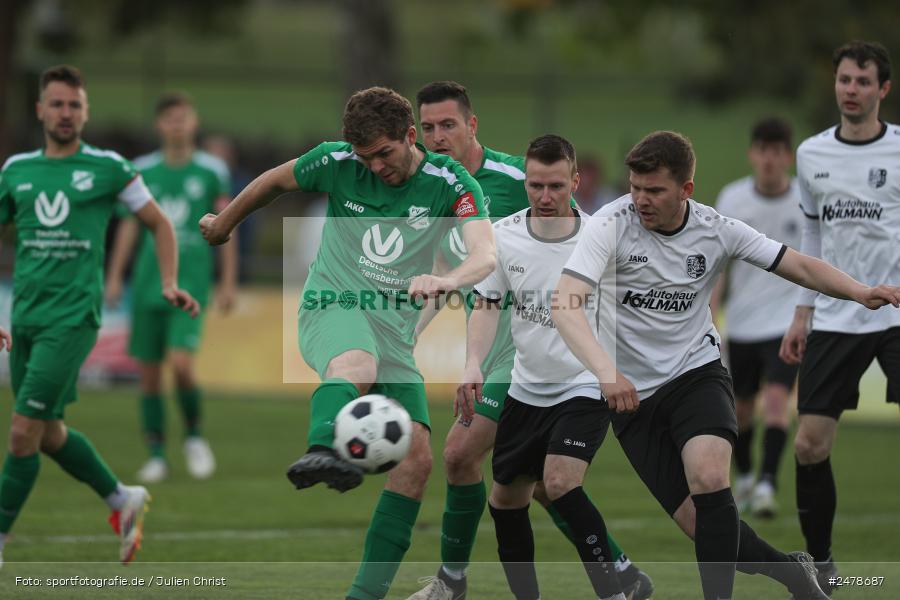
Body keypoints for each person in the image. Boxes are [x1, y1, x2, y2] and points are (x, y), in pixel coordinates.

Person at [552, 130, 898, 599]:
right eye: (635, 188)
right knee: (704, 525)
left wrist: (859, 290)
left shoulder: (717, 228)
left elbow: (796, 264)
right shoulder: (611, 223)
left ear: (686, 190)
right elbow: (566, 305)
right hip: (633, 399)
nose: (640, 200)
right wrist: (606, 373)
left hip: (697, 374)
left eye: (654, 190)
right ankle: (791, 573)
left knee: (710, 477)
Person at [198, 87, 496, 600]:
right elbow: (273, 183)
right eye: (365, 158)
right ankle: (322, 448)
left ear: (409, 136)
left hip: (394, 330)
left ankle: (364, 595)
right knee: (355, 361)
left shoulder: (452, 182)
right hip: (333, 302)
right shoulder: (335, 161)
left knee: (417, 459)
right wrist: (224, 225)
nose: (376, 166)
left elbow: (484, 254)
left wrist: (448, 281)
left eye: (385, 153)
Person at [409, 81, 651, 600]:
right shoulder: (429, 188)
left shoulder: (518, 182)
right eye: (427, 127)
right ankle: (623, 572)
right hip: (509, 358)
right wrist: (410, 336)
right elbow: (446, 271)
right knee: (533, 487)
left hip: (542, 363)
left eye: (447, 125)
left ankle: (452, 582)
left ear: (471, 125)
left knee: (466, 456)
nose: (437, 137)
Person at [0, 65, 198, 569]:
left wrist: (171, 282)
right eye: (57, 104)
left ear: (85, 112)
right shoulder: (16, 170)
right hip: (25, 317)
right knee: (47, 433)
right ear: (40, 109)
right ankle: (120, 498)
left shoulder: (109, 168)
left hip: (72, 318)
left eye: (75, 105)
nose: (66, 113)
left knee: (22, 431)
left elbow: (160, 224)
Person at [463, 134, 624, 600]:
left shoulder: (600, 237)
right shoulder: (504, 235)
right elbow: (488, 305)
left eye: (556, 185)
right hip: (526, 389)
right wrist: (473, 363)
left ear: (575, 181)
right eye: (536, 185)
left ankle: (614, 592)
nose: (545, 197)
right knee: (505, 501)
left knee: (558, 482)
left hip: (584, 385)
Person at [780, 40, 900, 593]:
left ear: (883, 89)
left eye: (862, 81)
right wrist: (802, 312)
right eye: (844, 80)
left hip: (897, 312)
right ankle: (823, 564)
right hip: (835, 313)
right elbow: (811, 233)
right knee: (809, 445)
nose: (850, 90)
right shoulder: (811, 154)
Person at [106, 92, 238, 484]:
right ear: (159, 125)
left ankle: (195, 437)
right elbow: (130, 224)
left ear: (194, 122)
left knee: (181, 366)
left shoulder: (212, 169)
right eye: (170, 118)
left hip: (192, 284)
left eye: (183, 117)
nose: (177, 124)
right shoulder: (142, 169)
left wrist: (228, 281)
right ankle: (157, 454)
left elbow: (226, 221)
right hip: (148, 284)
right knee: (148, 375)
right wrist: (115, 275)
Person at [710, 117, 802, 517]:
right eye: (763, 150)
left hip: (785, 323)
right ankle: (746, 477)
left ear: (788, 156)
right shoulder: (732, 199)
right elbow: (720, 265)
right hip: (743, 323)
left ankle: (767, 484)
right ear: (752, 154)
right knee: (742, 411)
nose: (769, 159)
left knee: (779, 402)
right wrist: (710, 313)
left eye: (777, 151)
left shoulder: (805, 199)